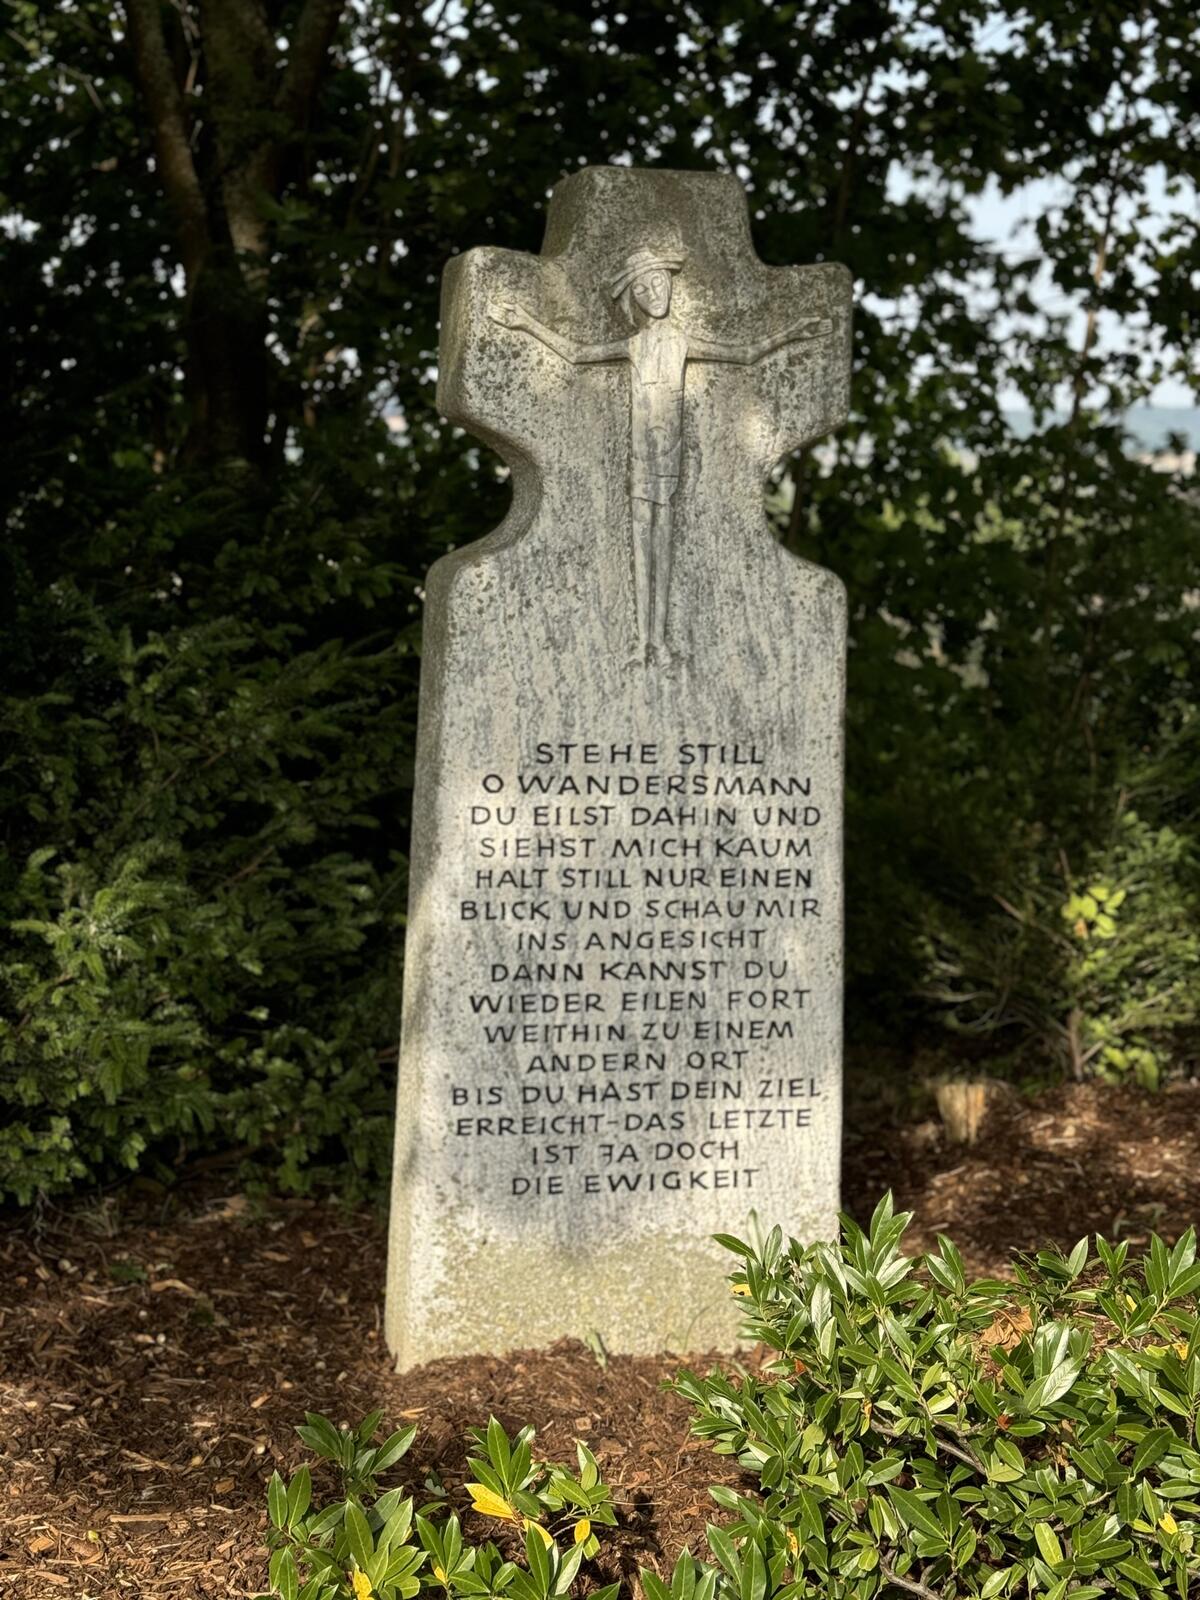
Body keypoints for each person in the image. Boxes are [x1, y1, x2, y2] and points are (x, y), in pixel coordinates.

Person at [490, 244, 831, 667]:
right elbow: (577, 354)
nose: (654, 293)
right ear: (632, 297)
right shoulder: (635, 345)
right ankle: (642, 640)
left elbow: (744, 353)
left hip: (669, 459)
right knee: (642, 546)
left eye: (659, 282)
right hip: (641, 458)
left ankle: (660, 640)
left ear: (669, 283)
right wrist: (525, 323)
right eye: (643, 288)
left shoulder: (679, 342)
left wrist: (795, 331)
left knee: (662, 545)